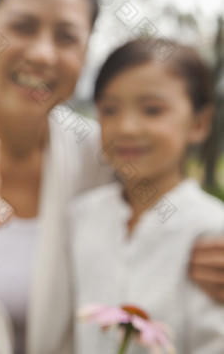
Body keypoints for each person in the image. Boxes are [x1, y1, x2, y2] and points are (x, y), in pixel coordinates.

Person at [0, 0, 224, 354]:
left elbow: (168, 204)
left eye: (66, 37)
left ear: (84, 55)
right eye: (23, 26)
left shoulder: (102, 155)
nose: (43, 54)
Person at [69, 38, 224, 354]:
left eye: (152, 110)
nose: (126, 127)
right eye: (110, 110)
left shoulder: (212, 231)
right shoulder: (81, 216)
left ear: (199, 123)